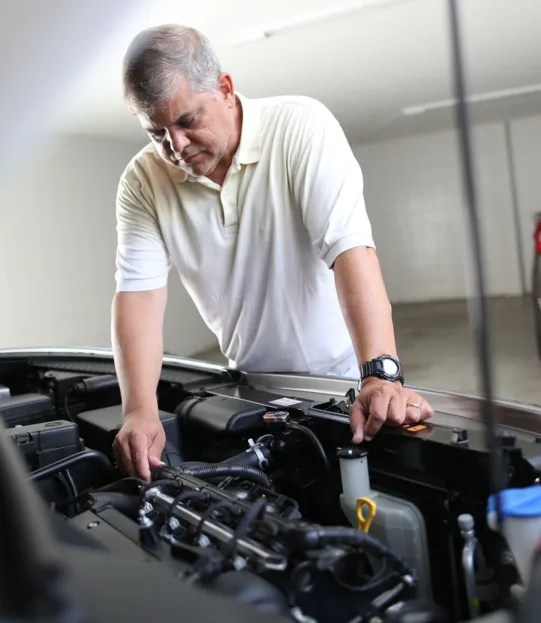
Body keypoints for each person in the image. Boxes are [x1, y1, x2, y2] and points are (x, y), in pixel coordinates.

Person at [111, 24, 433, 480]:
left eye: (186, 122)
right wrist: (139, 410)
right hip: (251, 387)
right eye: (157, 133)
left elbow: (349, 250)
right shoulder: (142, 180)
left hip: (343, 379)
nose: (175, 148)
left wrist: (380, 374)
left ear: (224, 88)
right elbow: (138, 297)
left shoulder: (300, 126)